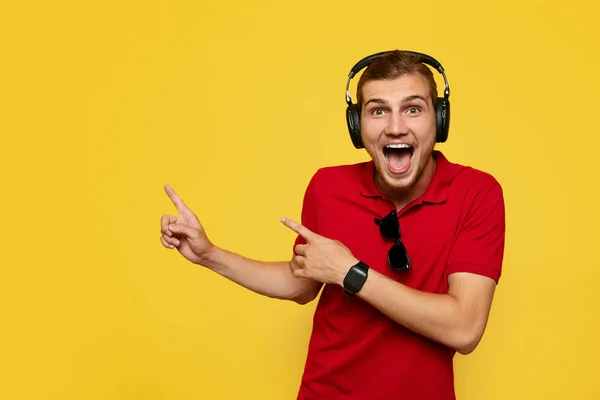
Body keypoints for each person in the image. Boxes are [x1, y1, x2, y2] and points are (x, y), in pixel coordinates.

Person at [159, 50, 505, 399]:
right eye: (378, 110)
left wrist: (350, 272)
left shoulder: (476, 193)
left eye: (413, 109)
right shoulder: (327, 188)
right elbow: (299, 284)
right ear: (357, 125)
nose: (396, 126)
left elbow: (464, 328)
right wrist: (209, 254)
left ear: (439, 120)